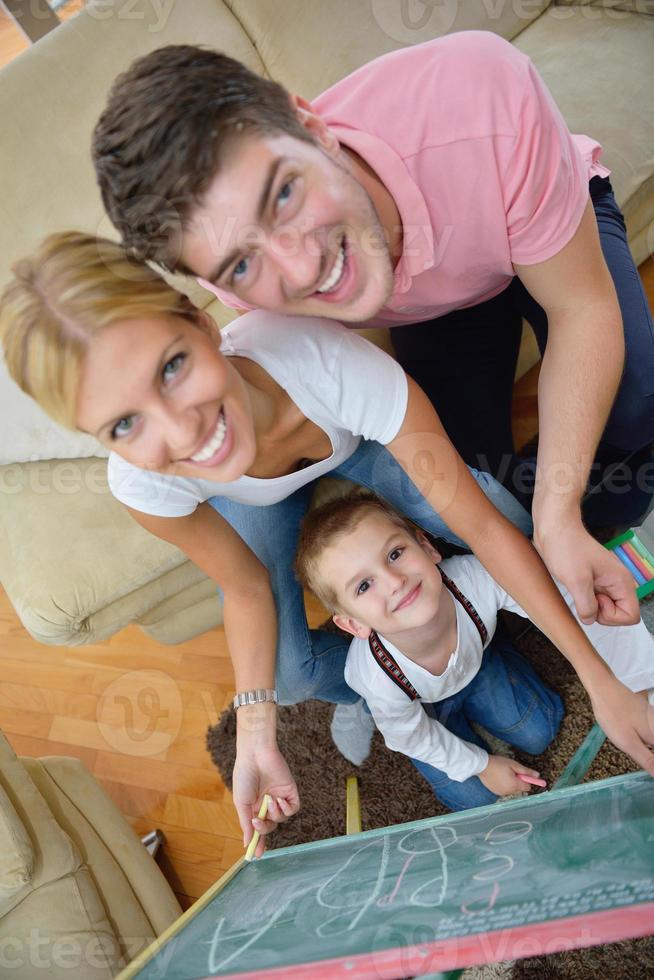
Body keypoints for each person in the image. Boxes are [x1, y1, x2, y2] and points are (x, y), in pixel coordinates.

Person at [1, 233, 652, 857]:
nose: (183, 431)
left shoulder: (325, 361)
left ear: (202, 326)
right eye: (123, 423)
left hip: (356, 441)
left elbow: (481, 527)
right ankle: (419, 667)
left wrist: (602, 681)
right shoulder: (145, 482)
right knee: (284, 678)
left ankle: (465, 630)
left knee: (499, 511)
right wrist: (256, 734)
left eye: (172, 368)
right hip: (259, 507)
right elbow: (244, 587)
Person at [92, 32, 654, 633]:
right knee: (471, 478)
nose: (303, 268)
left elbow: (580, 309)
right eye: (241, 263)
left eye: (283, 194)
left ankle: (593, 518)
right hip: (435, 308)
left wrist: (559, 510)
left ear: (311, 125)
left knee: (637, 401)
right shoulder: (241, 287)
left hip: (531, 222)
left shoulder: (484, 95)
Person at [295, 492, 654, 810]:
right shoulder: (376, 679)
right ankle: (457, 713)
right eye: (363, 586)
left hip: (476, 663)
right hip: (420, 707)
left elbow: (560, 604)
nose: (394, 581)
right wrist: (480, 765)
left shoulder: (474, 578)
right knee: (477, 800)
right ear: (354, 626)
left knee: (540, 729)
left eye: (395, 553)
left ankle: (495, 656)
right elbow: (411, 735)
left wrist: (634, 682)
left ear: (427, 546)